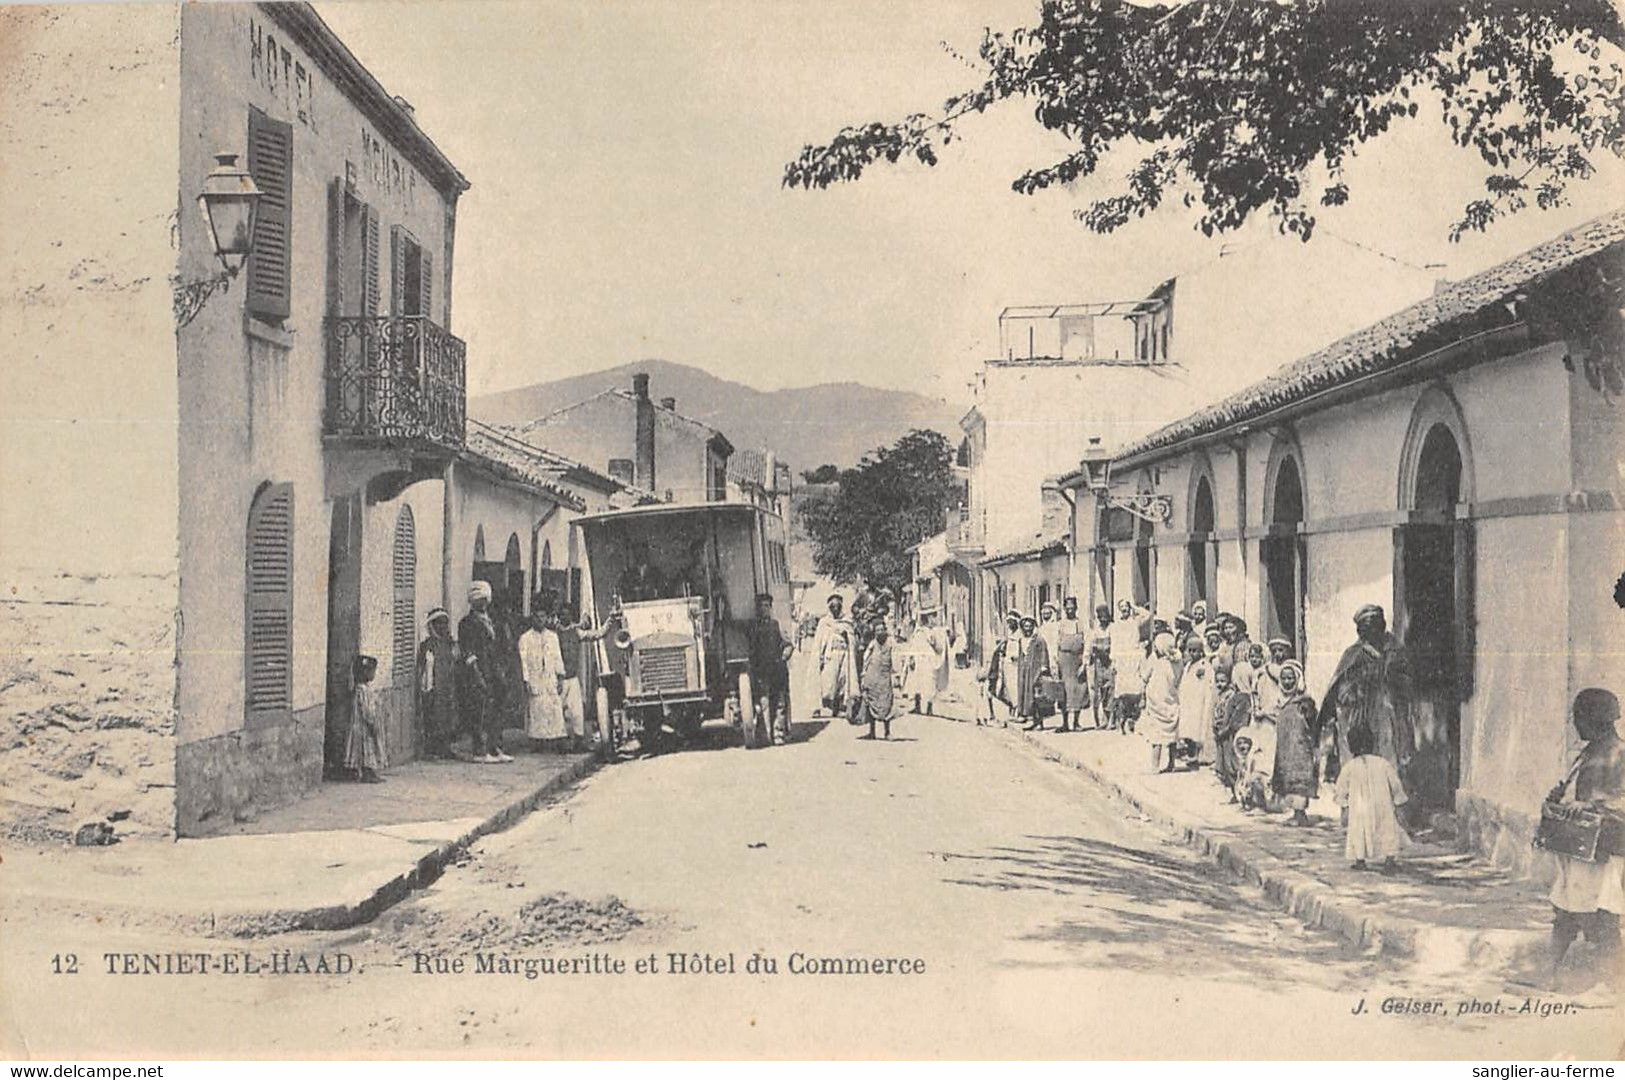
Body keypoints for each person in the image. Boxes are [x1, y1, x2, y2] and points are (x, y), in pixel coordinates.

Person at [1545, 688, 1625, 978]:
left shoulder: (1621, 754)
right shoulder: (1587, 754)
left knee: (1603, 918)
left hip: (1605, 851)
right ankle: (1547, 973)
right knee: (1565, 911)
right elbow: (1577, 793)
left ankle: (1611, 986)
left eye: (1579, 717)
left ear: (1597, 719)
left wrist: (1591, 805)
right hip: (1579, 848)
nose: (1575, 724)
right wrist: (1560, 798)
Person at [1319, 604, 1415, 791]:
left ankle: (1391, 804)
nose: (1370, 631)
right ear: (1360, 630)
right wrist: (1352, 695)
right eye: (1365, 627)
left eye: (1374, 625)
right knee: (1356, 759)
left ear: (1382, 625)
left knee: (1389, 755)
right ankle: (1355, 802)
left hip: (1388, 713)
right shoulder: (1353, 654)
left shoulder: (1395, 651)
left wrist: (1392, 683)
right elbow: (1340, 687)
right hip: (1359, 715)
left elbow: (1407, 681)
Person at [1336, 721, 1407, 871]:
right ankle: (1389, 860)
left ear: (1351, 745)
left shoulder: (1349, 767)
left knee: (1359, 831)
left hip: (1360, 809)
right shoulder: (1383, 763)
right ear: (1372, 743)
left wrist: (1344, 807)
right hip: (1382, 805)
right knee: (1387, 829)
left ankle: (1360, 860)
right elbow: (1395, 785)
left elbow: (1341, 790)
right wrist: (1399, 802)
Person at [459, 580, 512, 764]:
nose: (482, 602)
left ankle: (494, 746)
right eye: (478, 600)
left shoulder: (493, 621)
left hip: (494, 670)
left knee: (496, 710)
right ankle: (479, 750)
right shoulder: (466, 623)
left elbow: (499, 646)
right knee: (479, 711)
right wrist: (476, 674)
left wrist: (501, 670)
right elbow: (468, 652)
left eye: (484, 599)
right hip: (479, 671)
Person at [1272, 660, 1319, 826]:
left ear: (1297, 679)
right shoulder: (1280, 701)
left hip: (1300, 747)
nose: (1287, 682)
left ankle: (1301, 814)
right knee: (1288, 778)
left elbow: (1313, 723)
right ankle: (1295, 813)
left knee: (1300, 778)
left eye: (1291, 678)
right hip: (1286, 749)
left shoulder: (1304, 702)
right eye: (1284, 678)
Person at [747, 593, 793, 744]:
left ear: (771, 608)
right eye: (760, 606)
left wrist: (783, 658)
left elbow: (788, 644)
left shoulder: (776, 625)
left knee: (780, 702)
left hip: (777, 669)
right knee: (763, 702)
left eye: (766, 606)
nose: (763, 609)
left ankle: (778, 734)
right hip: (761, 671)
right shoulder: (752, 627)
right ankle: (766, 734)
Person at [518, 609, 568, 747]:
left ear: (546, 618)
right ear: (532, 619)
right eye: (537, 617)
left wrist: (561, 677)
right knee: (537, 709)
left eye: (542, 616)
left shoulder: (552, 637)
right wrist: (526, 680)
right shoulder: (525, 638)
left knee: (554, 707)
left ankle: (557, 740)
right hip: (535, 677)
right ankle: (538, 742)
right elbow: (524, 661)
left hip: (550, 677)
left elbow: (558, 657)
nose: (540, 619)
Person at [416, 607, 459, 759]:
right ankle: (432, 749)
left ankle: (445, 747)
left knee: (448, 716)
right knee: (434, 717)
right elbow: (423, 667)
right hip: (433, 686)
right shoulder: (427, 645)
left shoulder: (450, 644)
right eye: (439, 623)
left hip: (447, 685)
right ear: (432, 625)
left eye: (445, 623)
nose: (443, 627)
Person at [1109, 601, 1152, 734]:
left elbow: (1148, 615)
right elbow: (1114, 643)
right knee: (1122, 694)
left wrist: (1134, 607)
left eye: (1126, 608)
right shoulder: (1116, 626)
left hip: (1134, 658)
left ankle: (1132, 719)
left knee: (1136, 691)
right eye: (1122, 608)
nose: (1124, 611)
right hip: (1122, 660)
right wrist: (1114, 661)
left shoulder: (1135, 622)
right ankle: (1121, 721)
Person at [1141, 631, 1182, 772]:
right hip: (1171, 701)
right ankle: (1171, 763)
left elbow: (1145, 676)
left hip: (1156, 703)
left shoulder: (1156, 662)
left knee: (1156, 735)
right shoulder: (1177, 662)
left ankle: (1155, 765)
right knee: (1172, 734)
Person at [813, 594, 859, 722]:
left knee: (842, 681)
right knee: (829, 682)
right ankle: (822, 705)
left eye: (838, 606)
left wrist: (847, 636)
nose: (835, 609)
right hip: (830, 655)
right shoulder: (824, 623)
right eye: (832, 606)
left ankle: (837, 708)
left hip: (844, 654)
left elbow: (853, 638)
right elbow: (820, 642)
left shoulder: (847, 622)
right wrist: (820, 656)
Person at [1211, 662, 1252, 802]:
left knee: (1233, 764)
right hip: (1225, 734)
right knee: (1226, 764)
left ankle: (1240, 793)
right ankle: (1235, 793)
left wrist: (1224, 730)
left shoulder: (1242, 698)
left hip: (1233, 736)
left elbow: (1236, 721)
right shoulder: (1236, 696)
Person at [344, 655, 385, 782]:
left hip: (363, 724)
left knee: (369, 748)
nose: (374, 674)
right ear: (364, 673)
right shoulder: (361, 690)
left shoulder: (364, 689)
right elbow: (366, 710)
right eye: (372, 671)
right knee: (365, 747)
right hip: (363, 725)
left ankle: (369, 772)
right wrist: (372, 722)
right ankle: (366, 772)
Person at [1050, 597, 1088, 732]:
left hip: (1077, 659)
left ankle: (1076, 722)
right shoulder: (1060, 624)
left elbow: (1086, 642)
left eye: (1072, 608)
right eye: (1068, 608)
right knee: (1063, 691)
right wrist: (1055, 661)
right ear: (1065, 609)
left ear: (1076, 608)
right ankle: (1065, 723)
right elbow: (1055, 643)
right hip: (1064, 660)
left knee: (1078, 690)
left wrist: (1084, 662)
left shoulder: (1081, 623)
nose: (1070, 610)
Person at [1176, 633, 1213, 768]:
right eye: (1190, 650)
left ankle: (1195, 756)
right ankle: (1190, 753)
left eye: (1195, 650)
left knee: (1196, 729)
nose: (1192, 653)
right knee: (1188, 730)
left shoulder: (1204, 666)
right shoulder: (1188, 665)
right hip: (1188, 702)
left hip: (1198, 702)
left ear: (1201, 651)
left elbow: (1207, 686)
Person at [859, 620, 897, 740]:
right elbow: (866, 660)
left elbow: (895, 660)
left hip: (885, 678)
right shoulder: (872, 644)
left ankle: (887, 732)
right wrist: (863, 676)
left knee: (887, 705)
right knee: (871, 705)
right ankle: (872, 732)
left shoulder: (890, 644)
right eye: (877, 631)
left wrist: (896, 676)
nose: (880, 632)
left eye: (882, 630)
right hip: (872, 678)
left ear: (885, 631)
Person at [1014, 614, 1053, 731]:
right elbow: (1021, 655)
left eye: (1029, 626)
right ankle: (1034, 721)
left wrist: (1043, 668)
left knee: (1037, 697)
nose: (1027, 629)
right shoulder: (1022, 640)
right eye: (1025, 627)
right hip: (1025, 671)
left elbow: (1044, 654)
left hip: (1036, 671)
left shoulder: (1039, 640)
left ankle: (1040, 722)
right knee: (1027, 696)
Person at [1088, 605, 1115, 730]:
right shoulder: (1096, 630)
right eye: (1100, 617)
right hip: (1099, 662)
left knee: (1110, 689)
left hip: (1110, 661)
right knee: (1101, 689)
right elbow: (1091, 645)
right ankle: (1103, 718)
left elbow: (1114, 645)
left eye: (1104, 617)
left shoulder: (1113, 628)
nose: (1102, 620)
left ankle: (1112, 719)